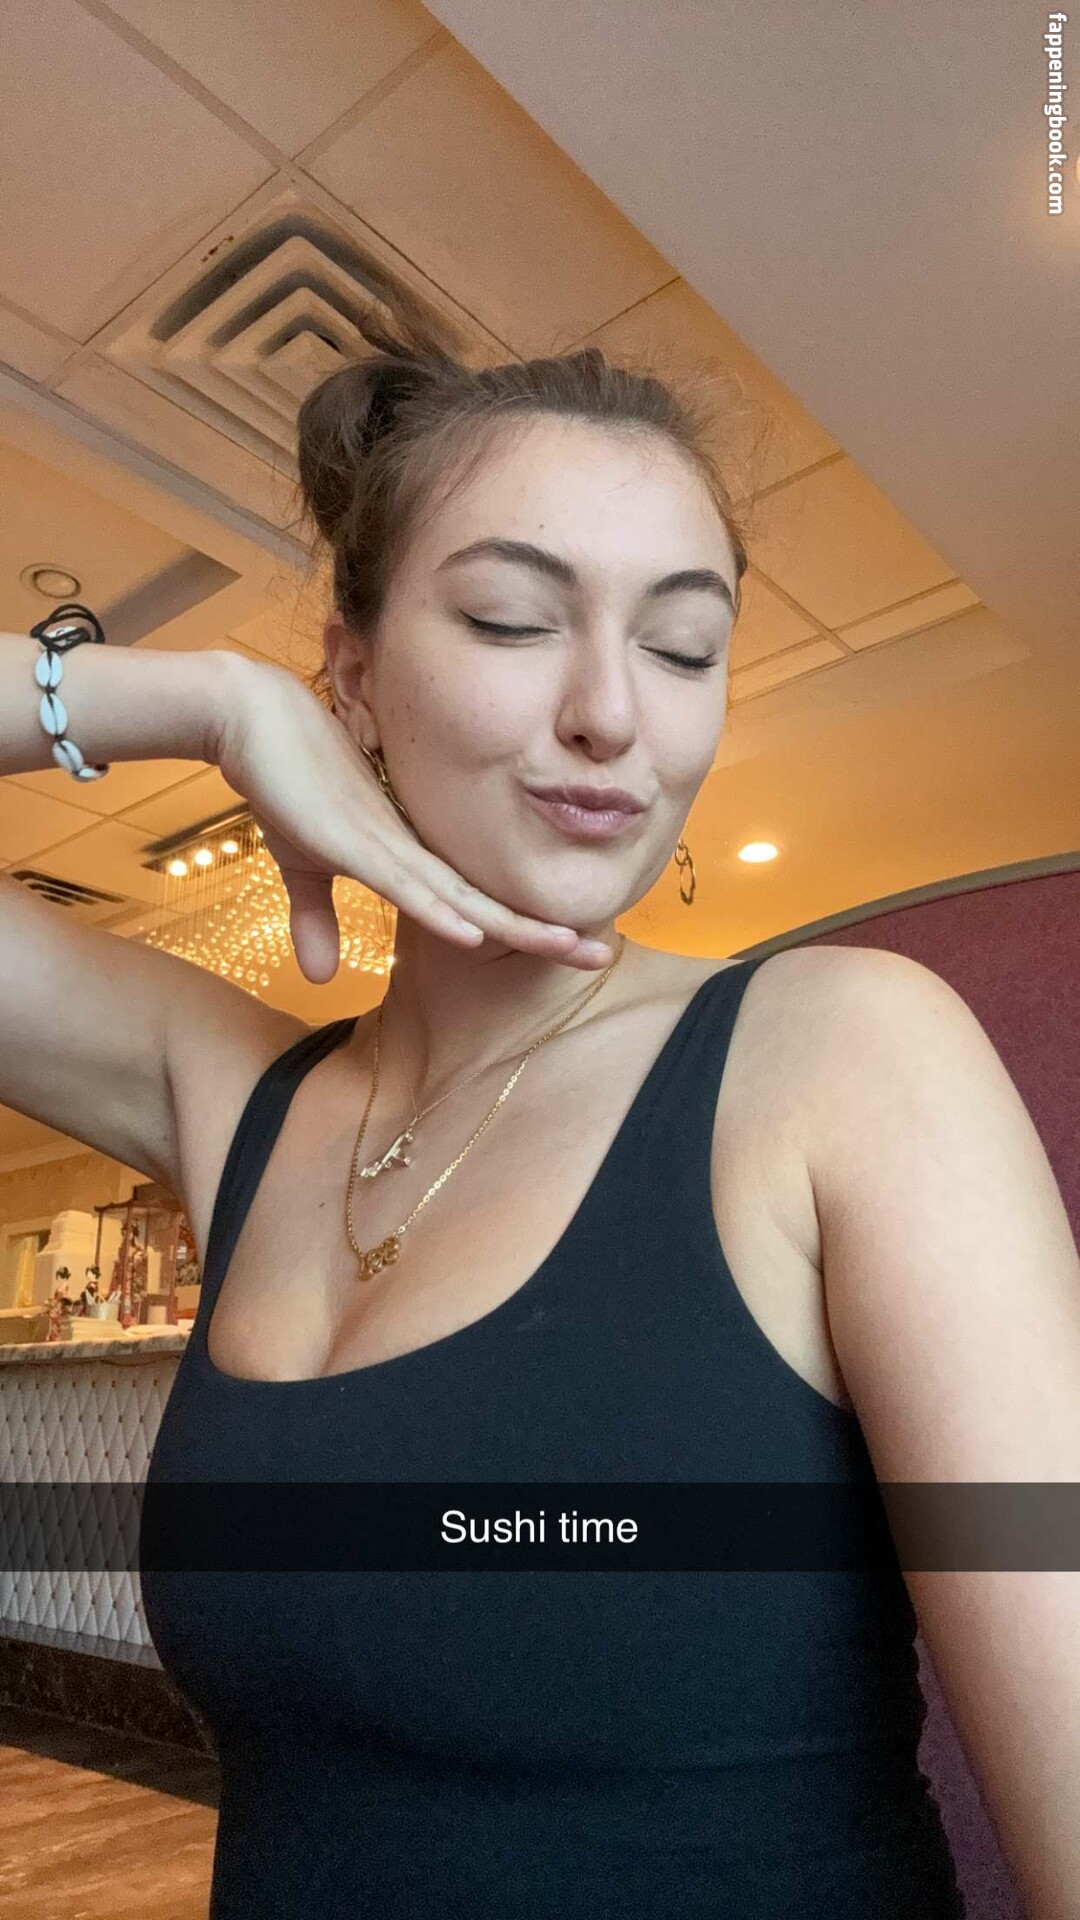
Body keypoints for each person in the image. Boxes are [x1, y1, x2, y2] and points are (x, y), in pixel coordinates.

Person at [1, 323, 1078, 1918]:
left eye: (684, 646)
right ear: (354, 675)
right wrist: (203, 700)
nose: (610, 713)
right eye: (513, 618)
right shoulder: (237, 1098)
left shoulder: (846, 1056)